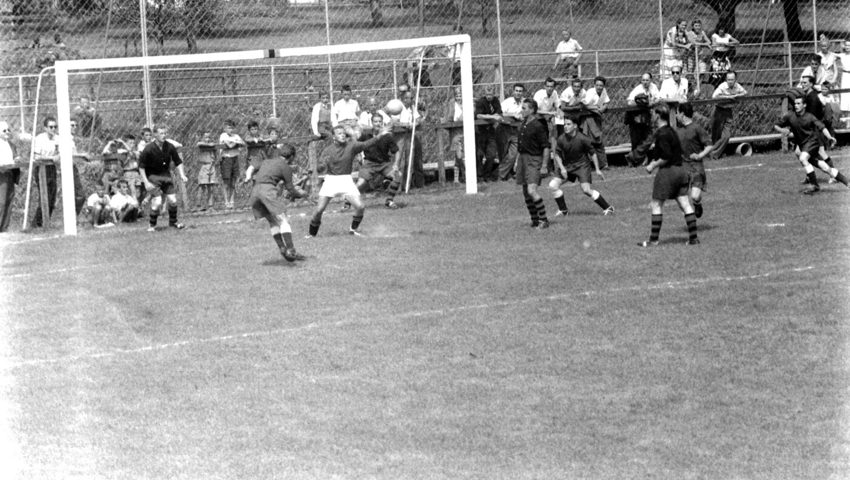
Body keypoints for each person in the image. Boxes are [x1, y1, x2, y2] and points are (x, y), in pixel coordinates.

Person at [306, 125, 392, 237]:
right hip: (331, 181)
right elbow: (320, 168)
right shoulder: (328, 151)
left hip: (346, 180)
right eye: (339, 133)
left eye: (343, 133)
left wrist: (380, 135)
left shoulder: (351, 146)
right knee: (319, 210)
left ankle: (353, 230)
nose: (342, 135)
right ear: (334, 137)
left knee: (360, 206)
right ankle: (311, 235)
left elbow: (367, 144)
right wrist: (319, 167)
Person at [638, 103, 699, 247]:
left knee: (656, 204)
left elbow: (666, 156)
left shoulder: (662, 133)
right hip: (681, 170)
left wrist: (652, 165)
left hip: (668, 172)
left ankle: (653, 240)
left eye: (653, 113)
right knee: (685, 203)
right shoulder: (671, 130)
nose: (651, 116)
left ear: (658, 115)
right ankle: (693, 239)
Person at [774, 96, 848, 194]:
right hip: (803, 146)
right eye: (795, 104)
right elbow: (776, 125)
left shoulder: (810, 117)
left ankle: (814, 185)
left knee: (802, 158)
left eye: (798, 103)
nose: (796, 105)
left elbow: (822, 127)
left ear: (804, 105)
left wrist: (829, 137)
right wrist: (782, 130)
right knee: (825, 167)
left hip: (813, 143)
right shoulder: (790, 116)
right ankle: (846, 181)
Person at [247, 143, 307, 261]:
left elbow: (252, 166)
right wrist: (302, 194)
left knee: (272, 221)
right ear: (292, 156)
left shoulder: (267, 161)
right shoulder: (285, 167)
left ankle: (282, 248)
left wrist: (248, 177)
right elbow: (290, 189)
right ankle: (291, 250)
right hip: (267, 191)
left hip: (255, 192)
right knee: (283, 219)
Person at [549, 115, 613, 218]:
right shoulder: (561, 139)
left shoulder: (583, 138)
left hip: (582, 166)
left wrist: (597, 169)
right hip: (568, 166)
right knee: (553, 185)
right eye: (564, 124)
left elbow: (593, 153)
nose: (565, 126)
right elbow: (557, 154)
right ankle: (563, 210)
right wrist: (562, 168)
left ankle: (608, 208)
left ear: (575, 126)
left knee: (586, 190)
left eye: (568, 124)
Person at [139, 125, 189, 231]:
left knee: (173, 200)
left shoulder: (169, 146)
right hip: (153, 177)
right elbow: (141, 167)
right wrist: (146, 182)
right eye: (161, 133)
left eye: (165, 133)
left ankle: (173, 222)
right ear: (155, 135)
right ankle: (152, 225)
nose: (163, 135)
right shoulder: (148, 149)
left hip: (166, 176)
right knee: (157, 202)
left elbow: (178, 161)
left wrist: (182, 174)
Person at [514, 99, 551, 229]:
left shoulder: (538, 126)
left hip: (534, 160)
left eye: (524, 108)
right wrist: (517, 161)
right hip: (523, 160)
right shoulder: (523, 123)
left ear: (531, 110)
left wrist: (544, 166)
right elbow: (521, 146)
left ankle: (544, 220)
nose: (521, 110)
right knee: (525, 191)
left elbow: (546, 147)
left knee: (532, 190)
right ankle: (534, 220)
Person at [355, 113, 401, 209]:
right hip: (369, 163)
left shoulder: (387, 136)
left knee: (398, 176)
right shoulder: (366, 135)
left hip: (384, 163)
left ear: (382, 123)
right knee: (360, 184)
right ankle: (347, 203)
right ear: (372, 123)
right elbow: (356, 146)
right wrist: (358, 155)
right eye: (375, 121)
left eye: (380, 121)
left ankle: (389, 201)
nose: (378, 123)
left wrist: (396, 165)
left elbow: (397, 152)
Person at [675, 103, 713, 219]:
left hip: (696, 167)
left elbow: (709, 145)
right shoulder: (677, 130)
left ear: (682, 114)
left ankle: (697, 204)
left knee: (695, 196)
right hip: (683, 167)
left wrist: (700, 155)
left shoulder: (697, 128)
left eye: (677, 113)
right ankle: (689, 217)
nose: (676, 116)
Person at [709, 70, 747, 160]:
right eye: (729, 79)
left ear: (735, 80)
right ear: (726, 79)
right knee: (715, 135)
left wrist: (737, 95)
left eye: (732, 79)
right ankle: (713, 154)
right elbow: (714, 96)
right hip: (718, 110)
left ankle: (714, 154)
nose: (730, 81)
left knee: (727, 136)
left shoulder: (737, 86)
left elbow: (745, 93)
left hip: (728, 111)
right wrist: (728, 97)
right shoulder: (722, 86)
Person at [625, 73, 660, 167]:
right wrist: (640, 104)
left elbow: (658, 98)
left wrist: (652, 102)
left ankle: (632, 157)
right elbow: (629, 102)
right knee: (636, 140)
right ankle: (634, 161)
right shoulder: (638, 89)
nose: (645, 82)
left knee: (650, 138)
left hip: (648, 117)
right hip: (636, 118)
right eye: (643, 80)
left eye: (647, 80)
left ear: (651, 80)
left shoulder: (654, 87)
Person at [31, 116, 61, 227]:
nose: (53, 129)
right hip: (41, 168)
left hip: (51, 168)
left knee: (52, 197)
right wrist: (50, 158)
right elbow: (37, 156)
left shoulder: (57, 138)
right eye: (51, 127)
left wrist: (57, 155)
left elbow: (58, 152)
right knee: (45, 196)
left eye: (55, 127)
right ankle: (37, 223)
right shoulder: (39, 138)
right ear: (45, 128)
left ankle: (45, 221)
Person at [474, 84, 504, 182]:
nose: (489, 96)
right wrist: (492, 117)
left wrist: (495, 115)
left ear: (494, 94)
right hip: (480, 131)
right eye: (487, 94)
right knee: (479, 154)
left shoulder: (495, 101)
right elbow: (478, 115)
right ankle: (479, 176)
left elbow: (499, 112)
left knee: (491, 154)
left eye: (490, 94)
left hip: (491, 131)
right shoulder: (481, 102)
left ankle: (487, 174)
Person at [581, 76, 611, 170]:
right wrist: (595, 109)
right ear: (594, 85)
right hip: (588, 118)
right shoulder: (590, 92)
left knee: (599, 141)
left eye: (601, 85)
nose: (599, 87)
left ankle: (604, 164)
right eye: (597, 85)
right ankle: (585, 165)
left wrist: (602, 109)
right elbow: (585, 105)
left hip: (597, 118)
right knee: (588, 142)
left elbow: (606, 102)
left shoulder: (604, 91)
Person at [499, 83, 526, 181]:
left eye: (520, 91)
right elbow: (500, 114)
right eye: (516, 91)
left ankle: (501, 174)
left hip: (517, 130)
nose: (518, 93)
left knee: (513, 154)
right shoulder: (507, 102)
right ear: (513, 91)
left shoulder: (524, 102)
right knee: (503, 153)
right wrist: (513, 114)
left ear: (523, 92)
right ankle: (504, 175)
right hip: (505, 129)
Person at [0, 121, 21, 232]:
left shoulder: (11, 144)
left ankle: (4, 227)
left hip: (10, 173)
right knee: (1, 201)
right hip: (1, 174)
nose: (7, 132)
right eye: (4, 131)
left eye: (8, 130)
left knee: (9, 200)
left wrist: (17, 159)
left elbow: (15, 156)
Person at [219, 119, 244, 209]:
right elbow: (229, 145)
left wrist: (235, 143)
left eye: (232, 128)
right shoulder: (223, 135)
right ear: (225, 129)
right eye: (229, 128)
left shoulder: (236, 135)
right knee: (226, 182)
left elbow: (242, 143)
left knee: (233, 181)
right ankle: (226, 201)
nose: (231, 130)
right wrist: (236, 143)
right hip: (226, 159)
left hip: (235, 158)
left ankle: (232, 201)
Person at [195, 131, 218, 211]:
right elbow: (199, 144)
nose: (207, 139)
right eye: (206, 137)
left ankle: (210, 206)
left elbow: (215, 153)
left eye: (209, 137)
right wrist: (209, 144)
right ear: (202, 137)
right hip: (204, 166)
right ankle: (198, 205)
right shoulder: (201, 144)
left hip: (212, 166)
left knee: (210, 187)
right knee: (202, 186)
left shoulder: (212, 145)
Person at [838, 39, 850, 116]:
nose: (848, 47)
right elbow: (829, 53)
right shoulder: (842, 55)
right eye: (846, 45)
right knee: (845, 94)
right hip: (845, 76)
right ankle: (846, 118)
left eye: (849, 45)